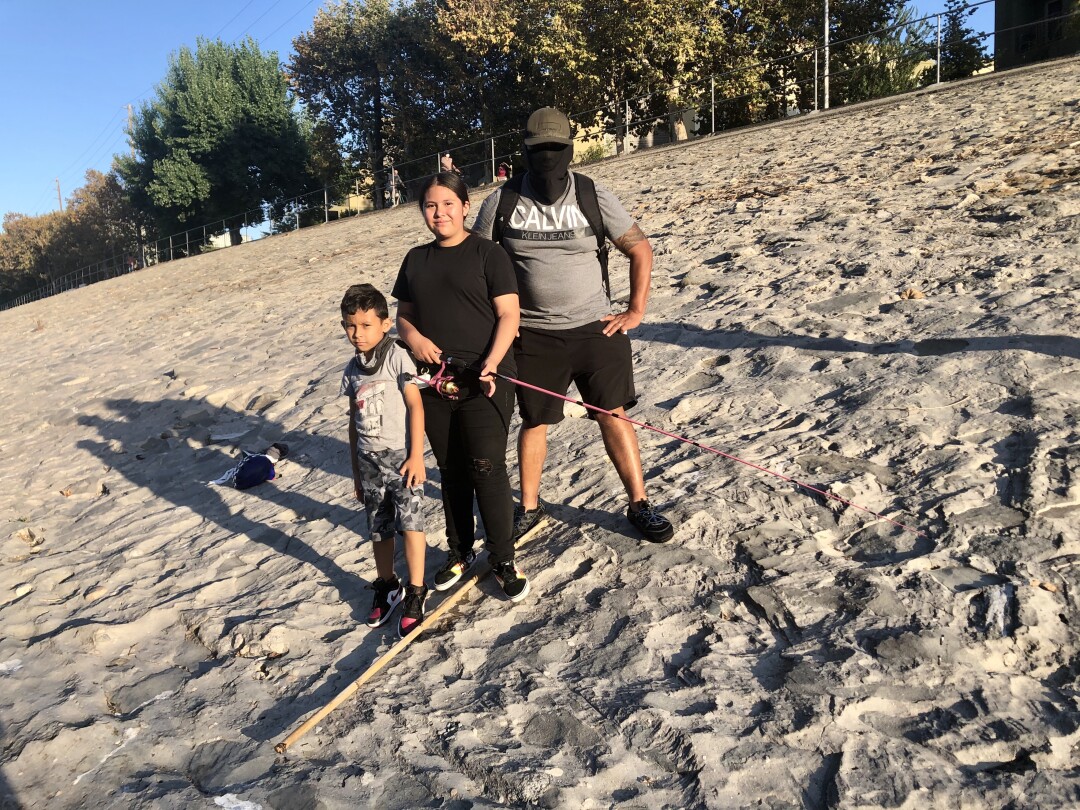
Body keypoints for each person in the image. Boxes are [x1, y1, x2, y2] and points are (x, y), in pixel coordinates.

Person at [472, 106, 675, 544]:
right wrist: (498, 322)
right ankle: (530, 507)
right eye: (538, 149)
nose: (547, 157)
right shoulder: (501, 202)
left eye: (555, 148)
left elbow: (640, 249)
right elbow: (475, 266)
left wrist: (635, 310)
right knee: (534, 421)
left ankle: (639, 503)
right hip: (532, 335)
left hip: (596, 328)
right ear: (525, 150)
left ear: (569, 149)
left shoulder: (592, 195)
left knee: (613, 414)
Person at [392, 172, 529, 601]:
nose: (440, 213)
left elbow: (509, 314)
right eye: (431, 206)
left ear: (465, 207)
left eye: (448, 204)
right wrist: (415, 339)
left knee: (486, 466)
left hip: (484, 379)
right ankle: (460, 551)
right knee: (451, 469)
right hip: (434, 381)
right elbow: (403, 317)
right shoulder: (415, 259)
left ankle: (503, 558)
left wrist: (491, 363)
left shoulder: (489, 253)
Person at [340, 283, 429, 638]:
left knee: (411, 523)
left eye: (366, 325)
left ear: (385, 324)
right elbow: (353, 421)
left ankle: (416, 591)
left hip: (402, 458)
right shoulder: (351, 369)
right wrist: (356, 473)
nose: (358, 333)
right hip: (368, 462)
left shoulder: (396, 356)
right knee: (379, 527)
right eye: (351, 326)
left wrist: (416, 455)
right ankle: (388, 584)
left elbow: (415, 405)